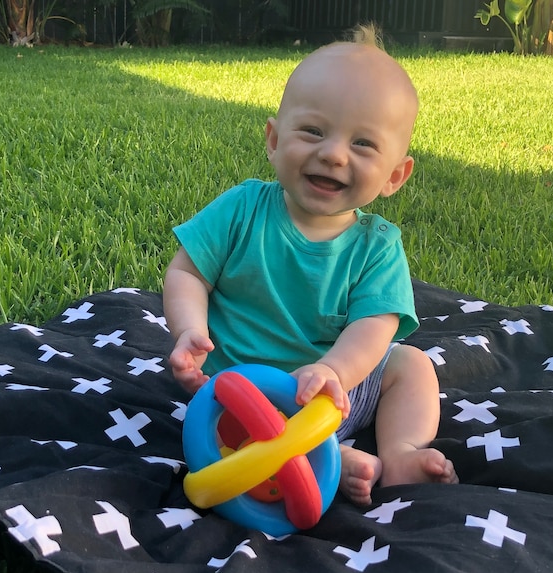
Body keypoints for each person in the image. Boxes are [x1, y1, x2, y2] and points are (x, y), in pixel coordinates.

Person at [164, 24, 458, 507]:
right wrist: (188, 330)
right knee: (216, 437)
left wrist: (333, 371)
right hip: (230, 392)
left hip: (329, 396)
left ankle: (401, 451)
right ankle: (327, 463)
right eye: (313, 131)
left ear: (395, 175)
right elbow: (187, 272)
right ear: (274, 139)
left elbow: (374, 326)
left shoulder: (378, 246)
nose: (334, 153)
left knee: (410, 364)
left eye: (363, 144)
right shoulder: (241, 209)